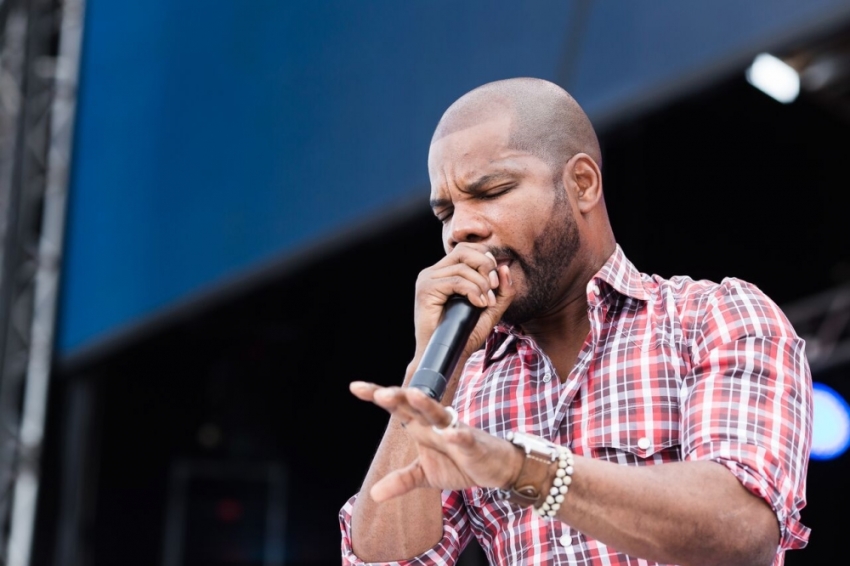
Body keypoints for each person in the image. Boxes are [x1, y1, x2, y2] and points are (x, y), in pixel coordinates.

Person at [339, 77, 811, 565]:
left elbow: (740, 528)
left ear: (582, 184)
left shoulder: (713, 319)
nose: (461, 229)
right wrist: (430, 363)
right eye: (445, 213)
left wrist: (524, 469)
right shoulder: (468, 386)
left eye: (492, 191)